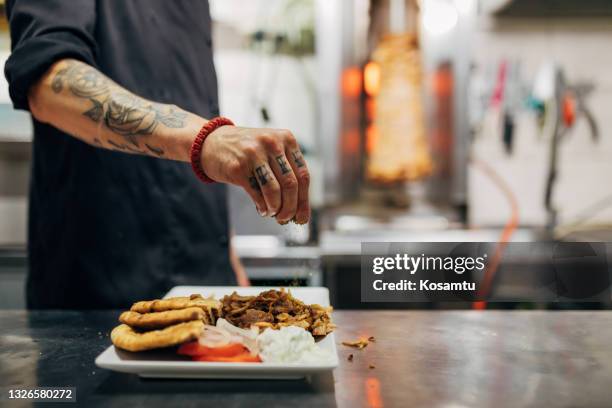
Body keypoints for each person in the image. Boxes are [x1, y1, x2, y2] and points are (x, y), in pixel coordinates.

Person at [3, 0, 310, 309]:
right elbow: (50, 83)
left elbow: (194, 104)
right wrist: (208, 140)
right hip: (102, 291)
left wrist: (228, 259)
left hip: (209, 281)